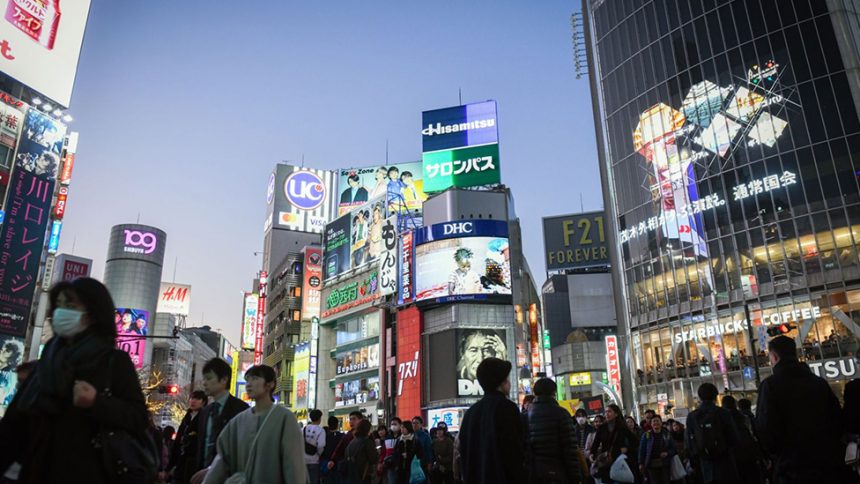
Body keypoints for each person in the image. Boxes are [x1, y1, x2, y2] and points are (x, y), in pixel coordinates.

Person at [0, 278, 148, 482]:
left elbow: (139, 418)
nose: (61, 312)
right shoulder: (47, 362)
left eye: (70, 306)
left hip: (89, 473)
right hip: (37, 470)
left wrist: (97, 402)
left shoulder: (113, 362)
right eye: (59, 306)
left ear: (92, 314)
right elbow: (14, 427)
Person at [755, 336, 845, 483]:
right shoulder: (818, 383)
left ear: (774, 356)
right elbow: (836, 419)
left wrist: (775, 455)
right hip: (825, 461)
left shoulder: (770, 386)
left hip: (790, 465)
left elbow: (765, 427)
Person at [202, 365, 307, 483]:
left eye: (255, 378)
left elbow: (293, 464)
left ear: (270, 384)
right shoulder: (238, 421)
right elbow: (222, 460)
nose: (249, 384)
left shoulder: (285, 419)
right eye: (247, 380)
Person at [458, 357, 525, 484]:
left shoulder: (470, 413)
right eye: (507, 379)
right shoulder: (507, 408)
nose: (509, 383)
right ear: (501, 382)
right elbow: (514, 453)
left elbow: (465, 455)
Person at [191, 358, 249, 482]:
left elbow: (241, 450)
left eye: (209, 378)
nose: (205, 383)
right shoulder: (205, 412)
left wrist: (213, 469)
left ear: (224, 379)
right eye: (204, 378)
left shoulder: (241, 410)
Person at [523, 377, 583, 484]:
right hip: (558, 471)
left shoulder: (526, 416)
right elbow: (569, 447)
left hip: (534, 472)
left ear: (535, 393)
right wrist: (575, 476)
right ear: (554, 392)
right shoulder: (562, 413)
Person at [685, 383, 739, 484]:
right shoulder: (724, 413)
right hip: (725, 462)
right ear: (716, 395)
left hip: (704, 464)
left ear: (699, 397)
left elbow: (689, 442)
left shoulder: (692, 416)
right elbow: (734, 438)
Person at [589, 404, 635, 484]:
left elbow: (635, 441)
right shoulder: (602, 427)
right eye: (606, 412)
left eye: (609, 411)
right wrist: (592, 454)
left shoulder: (622, 427)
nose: (607, 414)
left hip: (619, 459)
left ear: (616, 414)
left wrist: (627, 448)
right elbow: (596, 443)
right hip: (606, 460)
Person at [721, 396, 762, 484]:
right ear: (735, 405)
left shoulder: (721, 419)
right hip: (748, 454)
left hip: (731, 457)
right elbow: (753, 435)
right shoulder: (744, 418)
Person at [169, 390, 207, 484]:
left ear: (203, 402)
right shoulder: (186, 417)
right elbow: (177, 441)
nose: (193, 401)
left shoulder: (205, 418)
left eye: (197, 399)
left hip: (195, 464)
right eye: (191, 398)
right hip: (181, 462)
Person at [638, 416, 675, 484]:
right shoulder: (646, 435)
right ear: (651, 424)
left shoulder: (667, 434)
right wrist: (640, 463)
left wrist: (667, 453)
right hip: (651, 465)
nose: (656, 423)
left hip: (665, 464)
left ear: (661, 423)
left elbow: (673, 449)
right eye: (653, 421)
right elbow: (642, 450)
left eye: (657, 421)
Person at [328, 411, 366, 477]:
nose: (351, 421)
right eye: (350, 419)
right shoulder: (348, 435)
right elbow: (339, 448)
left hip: (363, 468)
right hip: (350, 467)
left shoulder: (366, 434)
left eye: (354, 419)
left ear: (361, 420)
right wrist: (332, 460)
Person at [345, 420, 379, 484]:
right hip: (364, 475)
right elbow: (374, 459)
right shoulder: (367, 442)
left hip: (352, 475)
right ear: (367, 430)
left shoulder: (352, 442)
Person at [305, 409, 327, 484]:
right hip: (314, 461)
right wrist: (318, 454)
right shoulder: (321, 430)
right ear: (319, 418)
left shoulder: (304, 429)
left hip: (303, 461)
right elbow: (321, 445)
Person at [322, 416, 345, 484]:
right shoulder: (342, 436)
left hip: (327, 464)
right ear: (337, 425)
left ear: (328, 425)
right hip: (339, 464)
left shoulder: (325, 436)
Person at [379, 418, 402, 484]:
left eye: (395, 424)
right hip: (390, 465)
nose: (393, 426)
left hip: (401, 465)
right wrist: (381, 461)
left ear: (400, 425)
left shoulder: (403, 436)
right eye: (392, 424)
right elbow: (384, 451)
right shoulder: (388, 437)